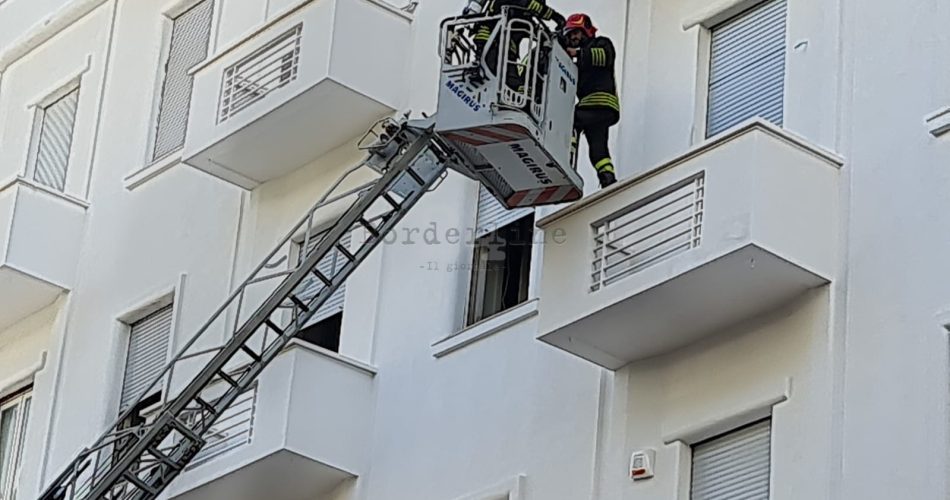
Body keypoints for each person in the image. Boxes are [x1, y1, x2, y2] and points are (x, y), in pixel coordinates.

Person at [563, 13, 619, 189]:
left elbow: (603, 57)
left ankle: (566, 160)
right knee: (598, 150)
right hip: (597, 110)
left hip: (599, 102)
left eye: (576, 33)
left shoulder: (601, 43)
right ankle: (608, 180)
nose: (573, 37)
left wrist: (577, 53)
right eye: (570, 34)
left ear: (586, 31)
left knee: (569, 120)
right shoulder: (577, 64)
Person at [470, 0, 566, 90]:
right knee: (510, 82)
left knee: (516, 86)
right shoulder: (512, 5)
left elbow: (530, 23)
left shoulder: (520, 16)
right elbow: (531, 4)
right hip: (493, 48)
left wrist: (550, 37)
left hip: (506, 54)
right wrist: (556, 17)